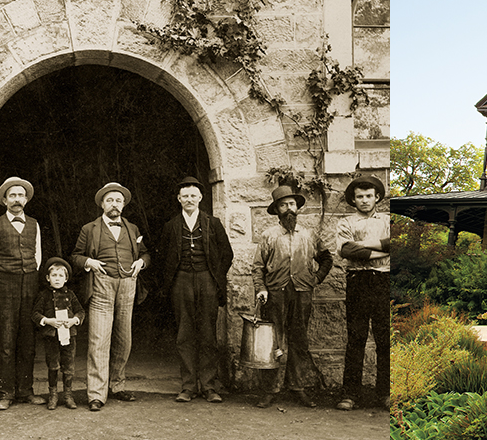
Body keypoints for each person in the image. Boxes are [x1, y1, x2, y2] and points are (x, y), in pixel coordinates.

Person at [252, 184, 333, 409]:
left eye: (292, 204)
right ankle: (270, 390)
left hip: (302, 292)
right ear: (277, 210)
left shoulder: (309, 234)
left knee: (299, 340)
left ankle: (298, 387)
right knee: (273, 341)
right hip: (275, 293)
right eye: (283, 205)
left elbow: (327, 259)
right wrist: (261, 288)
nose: (288, 209)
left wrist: (316, 279)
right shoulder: (269, 235)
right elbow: (258, 267)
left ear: (297, 208)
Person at [155, 177, 232, 403]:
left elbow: (227, 254)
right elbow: (163, 258)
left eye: (193, 195)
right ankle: (188, 387)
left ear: (200, 198)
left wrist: (215, 276)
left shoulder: (213, 223)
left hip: (207, 281)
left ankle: (209, 386)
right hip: (181, 282)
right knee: (184, 334)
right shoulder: (171, 226)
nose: (189, 199)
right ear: (179, 199)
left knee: (208, 333)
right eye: (185, 196)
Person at [72, 182, 148, 411]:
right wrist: (89, 261)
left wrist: (141, 262)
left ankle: (117, 385)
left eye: (118, 201)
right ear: (102, 204)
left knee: (124, 338)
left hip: (127, 284)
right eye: (110, 200)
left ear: (123, 205)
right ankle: (96, 393)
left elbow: (145, 253)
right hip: (101, 285)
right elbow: (75, 255)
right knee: (99, 339)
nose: (114, 205)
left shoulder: (133, 228)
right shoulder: (90, 229)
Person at [325, 176, 393, 411]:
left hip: (384, 280)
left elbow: (393, 243)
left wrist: (363, 247)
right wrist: (379, 249)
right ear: (353, 200)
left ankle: (385, 392)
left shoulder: (388, 220)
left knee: (385, 339)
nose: (364, 200)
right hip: (358, 281)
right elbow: (346, 250)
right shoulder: (346, 222)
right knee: (356, 338)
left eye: (368, 196)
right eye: (360, 197)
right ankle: (350, 394)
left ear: (377, 198)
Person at [0, 177, 45, 411]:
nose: (17, 200)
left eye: (20, 195)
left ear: (26, 199)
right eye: (12, 196)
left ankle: (26, 391)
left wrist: (28, 279)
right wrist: (1, 283)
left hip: (30, 286)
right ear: (4, 200)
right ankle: (5, 393)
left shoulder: (34, 225)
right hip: (4, 287)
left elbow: (37, 258)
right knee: (6, 341)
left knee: (28, 341)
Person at [33, 257, 84, 410]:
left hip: (69, 336)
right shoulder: (44, 295)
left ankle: (68, 395)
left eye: (61, 276)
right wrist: (48, 321)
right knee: (53, 365)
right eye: (54, 276)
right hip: (51, 337)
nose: (57, 279)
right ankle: (53, 395)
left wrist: (74, 320)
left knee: (68, 366)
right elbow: (35, 314)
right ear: (48, 278)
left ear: (66, 278)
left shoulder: (71, 295)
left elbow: (81, 311)